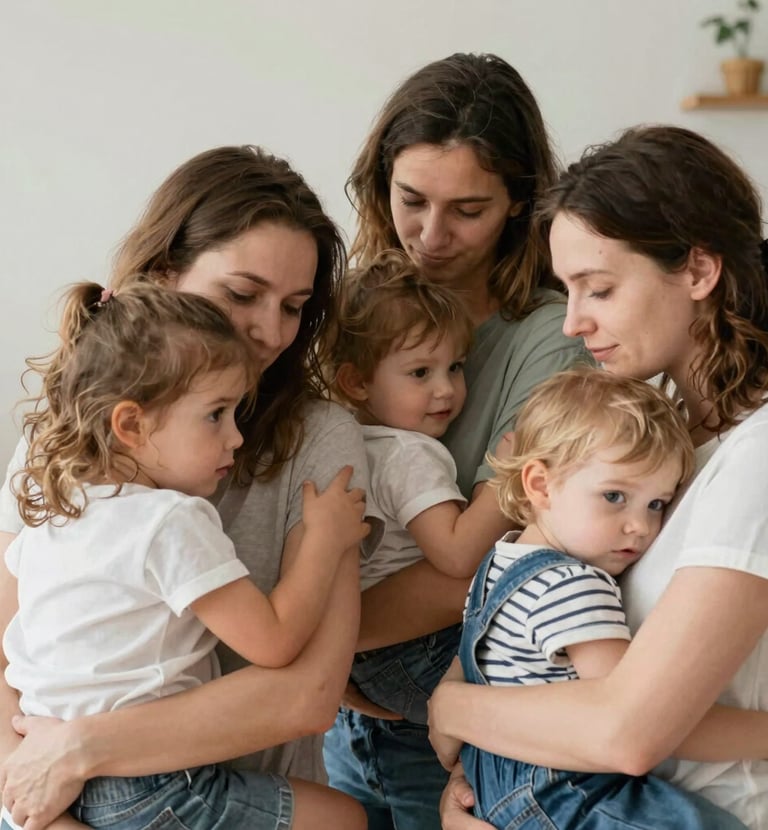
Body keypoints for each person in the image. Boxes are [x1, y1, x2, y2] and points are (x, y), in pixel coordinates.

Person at [0, 145, 380, 830]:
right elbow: (5, 652)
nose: (269, 332)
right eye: (241, 294)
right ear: (161, 273)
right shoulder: (62, 444)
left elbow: (307, 696)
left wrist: (80, 752)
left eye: (294, 306)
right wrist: (36, 809)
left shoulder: (320, 440)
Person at [429, 126, 768, 830]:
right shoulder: (656, 429)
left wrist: (451, 705)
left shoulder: (757, 457)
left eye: (600, 289)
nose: (575, 322)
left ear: (699, 273)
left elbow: (626, 732)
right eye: (568, 291)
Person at [324, 52, 589, 830]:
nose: (431, 237)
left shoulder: (550, 338)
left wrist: (311, 646)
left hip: (439, 717)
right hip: (344, 718)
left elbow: (487, 562)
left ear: (519, 203)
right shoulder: (366, 307)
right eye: (411, 201)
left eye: (467, 210)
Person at [458, 366, 757, 829]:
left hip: (495, 790)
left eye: (656, 504)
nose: (640, 525)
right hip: (573, 797)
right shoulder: (572, 585)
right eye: (615, 495)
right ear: (540, 484)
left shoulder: (498, 564)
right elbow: (642, 718)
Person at [328, 249, 513, 728]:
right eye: (420, 373)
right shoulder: (409, 453)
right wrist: (509, 472)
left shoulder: (347, 446)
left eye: (455, 367)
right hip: (419, 650)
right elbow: (455, 554)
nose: (446, 390)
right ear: (356, 382)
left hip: (371, 663)